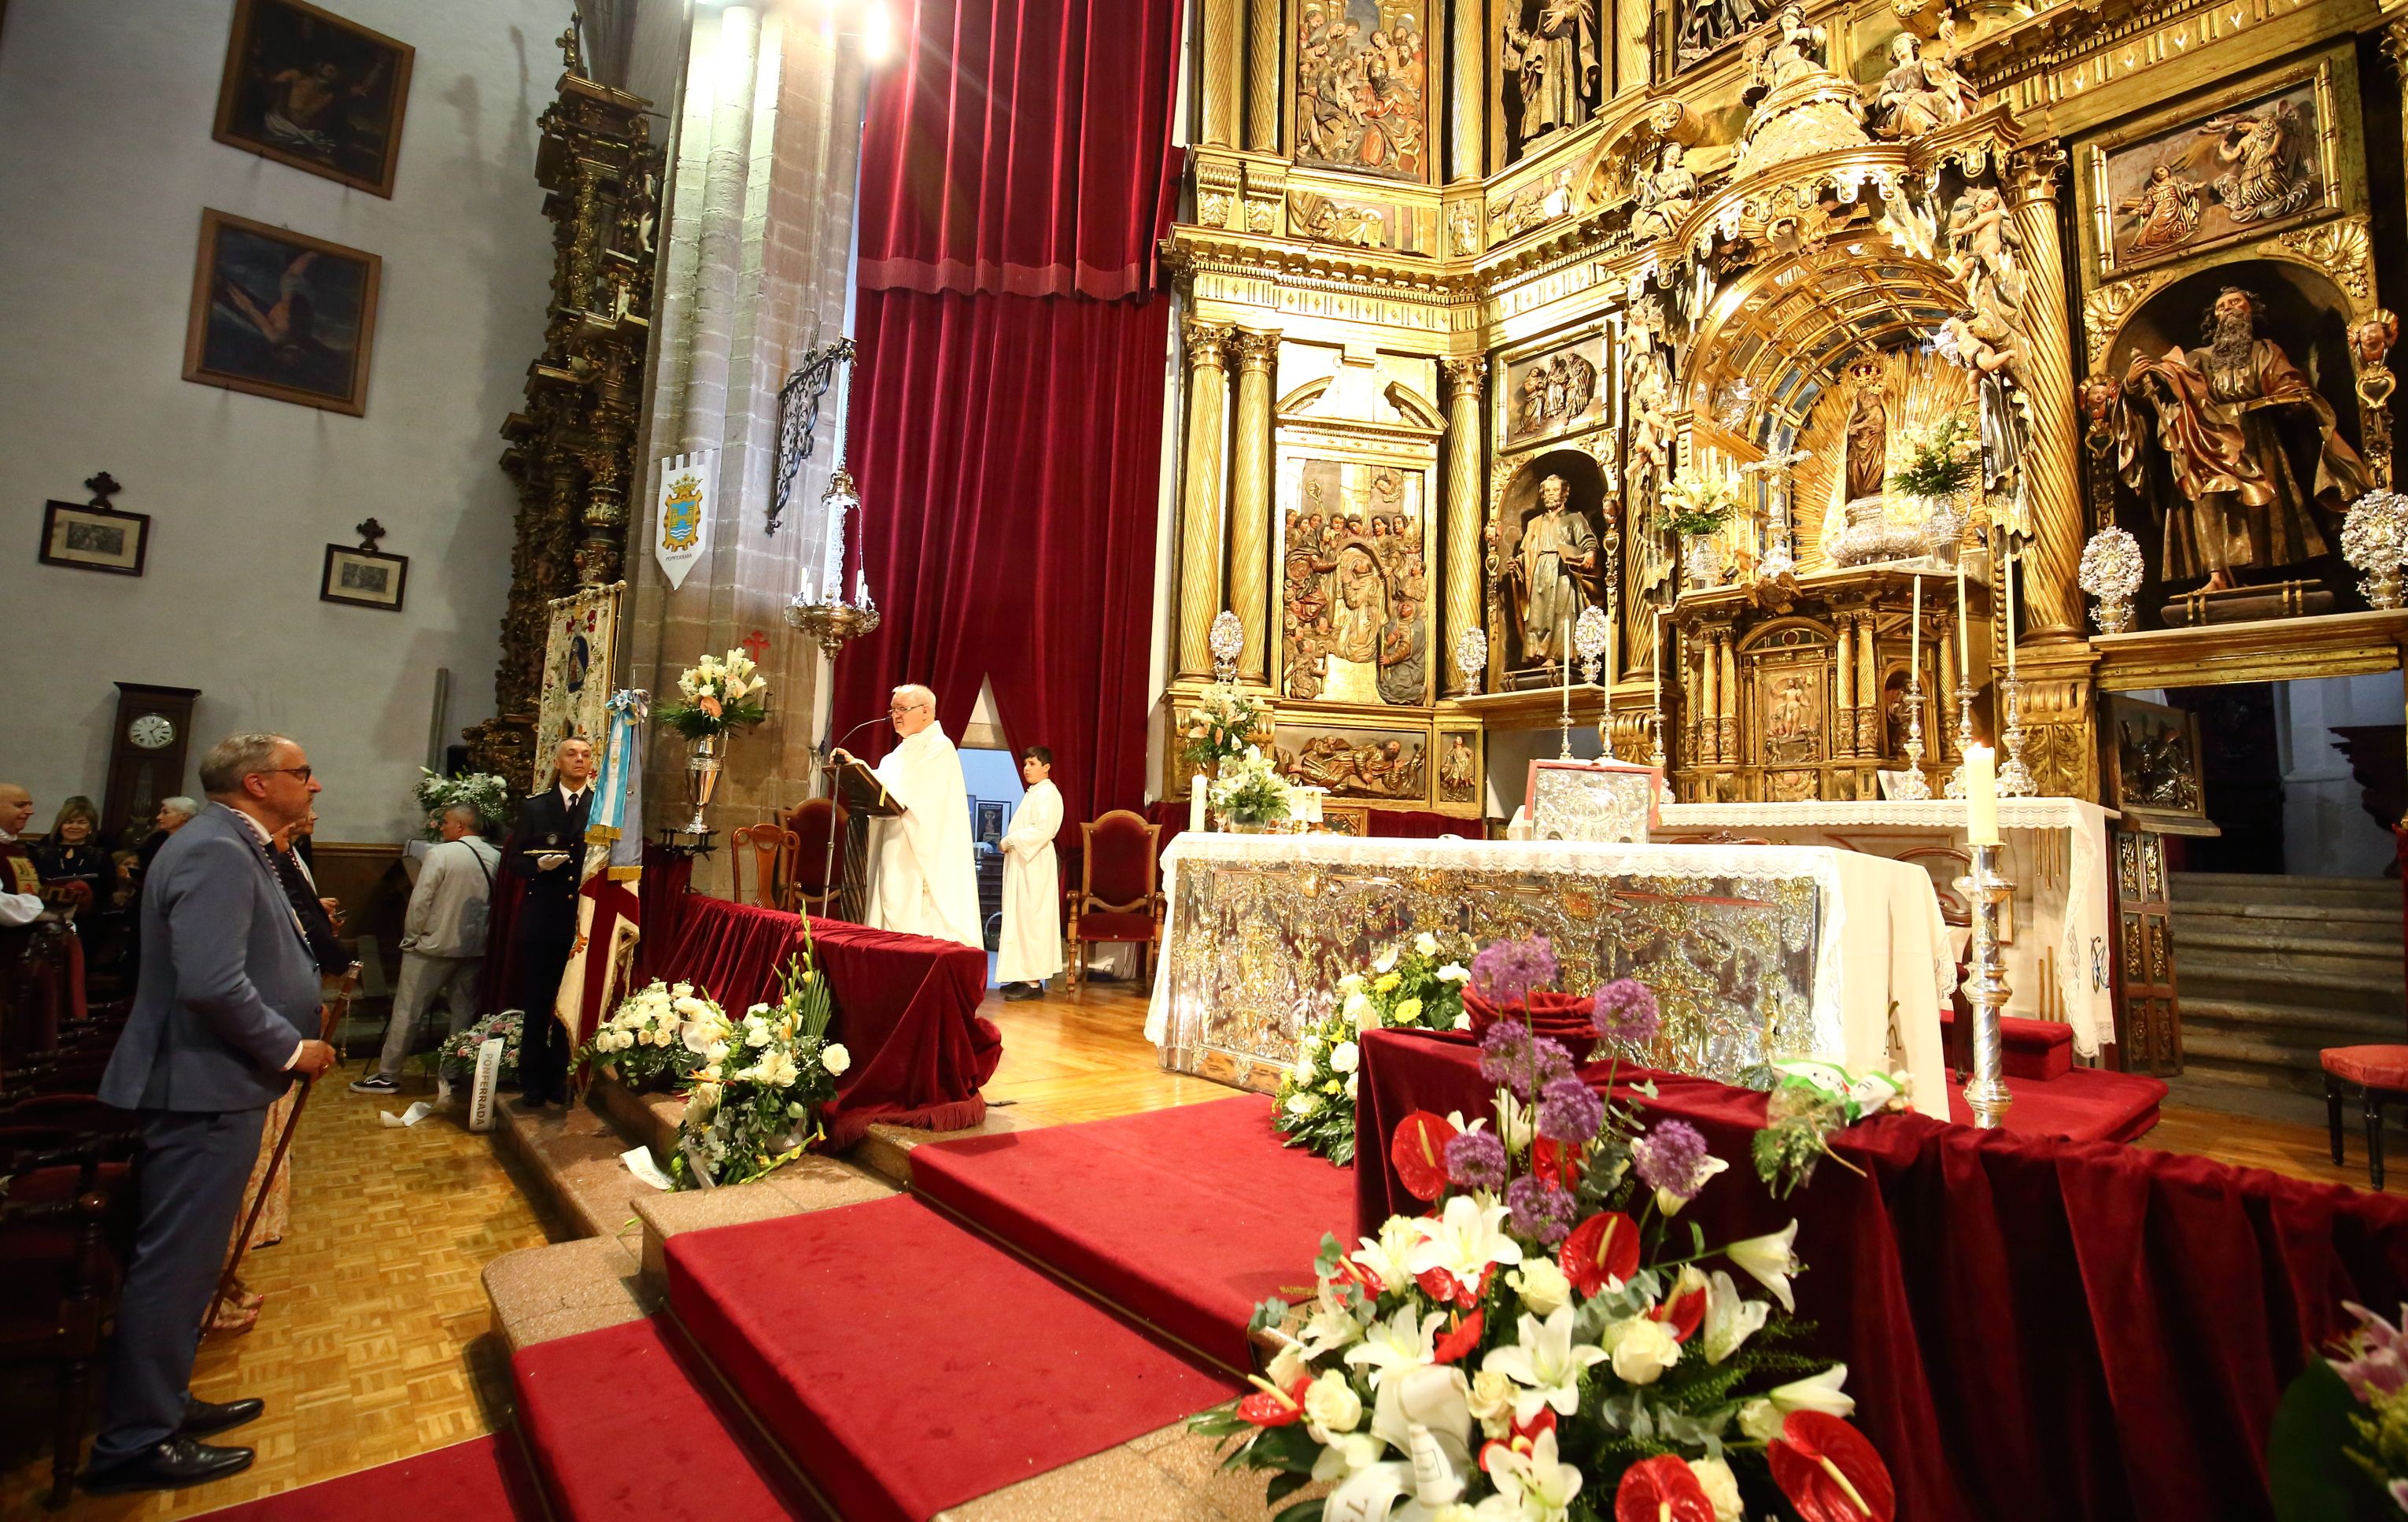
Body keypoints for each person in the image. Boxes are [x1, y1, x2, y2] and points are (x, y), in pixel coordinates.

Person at [85, 733, 338, 1495]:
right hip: (202, 1081)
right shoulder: (218, 849)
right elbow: (212, 981)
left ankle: (160, 1400)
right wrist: (293, 1050)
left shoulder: (233, 840)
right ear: (258, 783)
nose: (315, 783)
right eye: (303, 771)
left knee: (191, 1263)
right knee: (177, 1263)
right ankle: (134, 1440)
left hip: (216, 1079)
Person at [353, 803, 500, 1095]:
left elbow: (421, 901)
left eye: (445, 822)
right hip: (475, 947)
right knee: (463, 1012)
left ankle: (389, 1074)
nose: (441, 827)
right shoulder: (495, 856)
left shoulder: (440, 854)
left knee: (408, 1010)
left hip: (432, 946)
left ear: (460, 826)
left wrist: (411, 937)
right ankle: (451, 1075)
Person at [504, 737, 596, 1108]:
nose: (579, 760)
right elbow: (514, 862)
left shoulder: (598, 806)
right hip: (542, 917)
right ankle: (532, 1081)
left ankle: (561, 1079)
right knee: (538, 1002)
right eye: (572, 754)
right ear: (557, 762)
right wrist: (537, 866)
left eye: (586, 755)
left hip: (580, 921)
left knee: (567, 1003)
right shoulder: (536, 807)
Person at [859, 685, 981, 949]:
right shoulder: (898, 754)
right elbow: (879, 785)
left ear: (925, 711)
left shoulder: (939, 748)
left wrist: (874, 782)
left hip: (919, 852)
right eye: (893, 709)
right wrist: (856, 768)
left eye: (902, 708)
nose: (895, 715)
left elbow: (914, 795)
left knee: (914, 926)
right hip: (893, 843)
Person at [995, 748, 1064, 1000]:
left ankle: (1033, 982)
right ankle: (1021, 974)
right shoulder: (1035, 793)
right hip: (1024, 864)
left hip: (1035, 864)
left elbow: (1044, 830)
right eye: (1025, 763)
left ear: (1046, 767)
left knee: (1032, 920)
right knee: (1020, 918)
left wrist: (1011, 840)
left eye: (1032, 763)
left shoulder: (1048, 794)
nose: (1026, 768)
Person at [33, 795, 111, 911]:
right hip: (45, 910)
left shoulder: (100, 854)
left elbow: (108, 888)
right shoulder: (42, 852)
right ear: (60, 826)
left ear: (90, 828)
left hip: (88, 914)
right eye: (68, 822)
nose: (74, 827)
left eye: (82, 822)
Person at [0, 782, 46, 927]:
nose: (30, 811)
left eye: (30, 805)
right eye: (20, 805)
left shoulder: (15, 850)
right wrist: (45, 912)